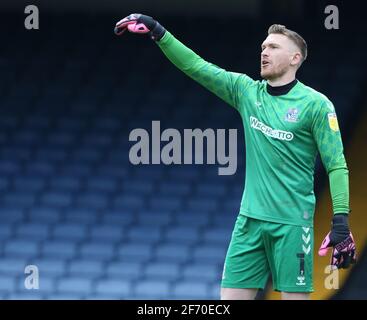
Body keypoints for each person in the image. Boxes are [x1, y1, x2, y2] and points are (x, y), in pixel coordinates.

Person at [114, 14, 357, 300]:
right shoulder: (246, 92)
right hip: (249, 222)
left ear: (295, 58)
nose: (264, 51)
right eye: (263, 47)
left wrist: (340, 221)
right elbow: (196, 66)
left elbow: (337, 164)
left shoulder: (316, 105)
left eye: (274, 47)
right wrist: (159, 32)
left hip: (292, 225)